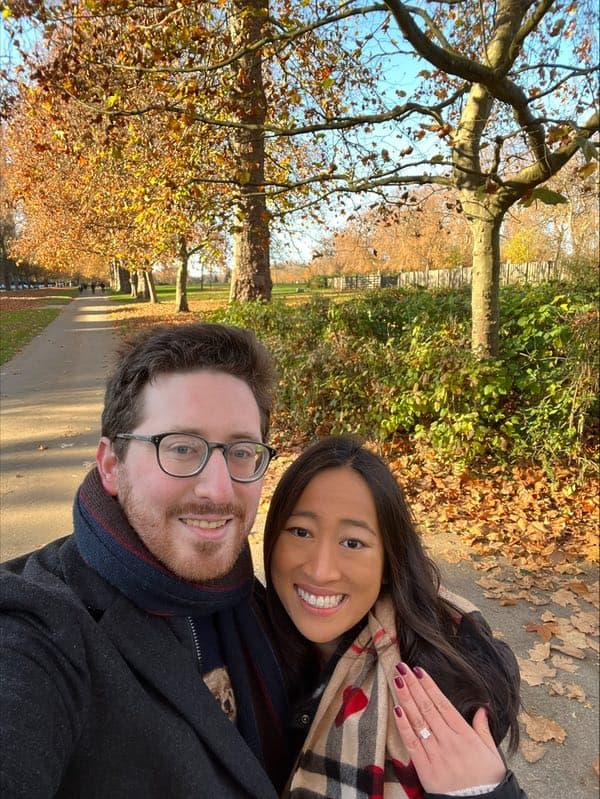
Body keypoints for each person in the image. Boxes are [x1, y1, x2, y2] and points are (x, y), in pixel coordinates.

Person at [0, 323, 289, 799]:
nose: (218, 490)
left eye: (241, 452)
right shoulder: (41, 628)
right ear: (111, 465)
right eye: (180, 448)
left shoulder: (252, 601)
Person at [263, 435, 527, 799]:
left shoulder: (438, 686)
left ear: (390, 563)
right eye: (300, 532)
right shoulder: (240, 643)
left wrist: (487, 793)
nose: (321, 571)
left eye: (352, 542)